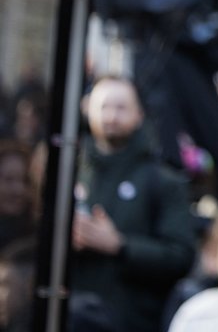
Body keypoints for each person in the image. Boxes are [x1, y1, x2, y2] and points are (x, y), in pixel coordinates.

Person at [69, 75, 195, 332]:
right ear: (87, 109)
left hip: (132, 320)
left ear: (139, 114)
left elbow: (181, 256)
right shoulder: (67, 170)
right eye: (104, 106)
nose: (111, 116)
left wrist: (120, 246)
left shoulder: (163, 181)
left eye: (121, 107)